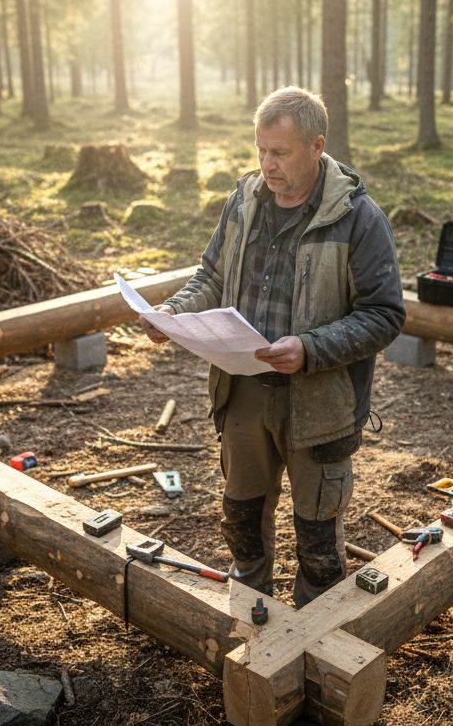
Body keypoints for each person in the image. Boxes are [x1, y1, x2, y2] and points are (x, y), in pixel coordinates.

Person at [140, 87, 405, 606]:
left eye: (280, 152)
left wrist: (310, 348)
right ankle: (249, 604)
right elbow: (212, 275)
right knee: (240, 515)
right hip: (242, 390)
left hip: (319, 404)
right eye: (261, 150)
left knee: (318, 537)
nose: (267, 164)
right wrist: (174, 311)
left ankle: (316, 624)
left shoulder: (358, 217)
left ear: (317, 146)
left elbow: (384, 314)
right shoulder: (244, 201)